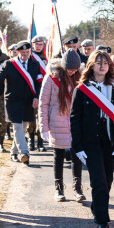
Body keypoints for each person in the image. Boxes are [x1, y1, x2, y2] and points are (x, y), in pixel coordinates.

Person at [70, 50, 114, 228]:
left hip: (110, 140)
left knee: (108, 179)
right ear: (91, 65)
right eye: (98, 62)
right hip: (90, 140)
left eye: (105, 62)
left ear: (110, 65)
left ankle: (98, 206)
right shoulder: (82, 90)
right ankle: (102, 221)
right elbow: (75, 119)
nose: (102, 66)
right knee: (99, 181)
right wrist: (77, 147)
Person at [38, 49, 85, 202]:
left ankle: (77, 188)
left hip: (75, 123)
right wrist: (43, 127)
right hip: (57, 123)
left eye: (75, 68)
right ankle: (59, 189)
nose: (72, 71)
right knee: (58, 156)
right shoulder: (51, 79)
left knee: (77, 155)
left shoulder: (81, 78)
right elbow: (43, 104)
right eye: (69, 68)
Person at [0, 41, 42, 165]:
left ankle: (13, 152)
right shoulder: (9, 64)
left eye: (27, 52)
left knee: (22, 127)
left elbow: (39, 83)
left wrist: (37, 97)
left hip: (29, 101)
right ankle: (24, 152)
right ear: (17, 52)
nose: (25, 55)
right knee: (17, 126)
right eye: (22, 52)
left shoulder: (35, 64)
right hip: (13, 102)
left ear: (30, 52)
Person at [29, 35, 48, 152]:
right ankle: (31, 140)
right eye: (36, 44)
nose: (38, 46)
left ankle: (40, 142)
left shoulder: (47, 55)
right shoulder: (30, 56)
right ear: (33, 44)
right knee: (31, 117)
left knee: (42, 117)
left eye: (40, 44)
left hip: (45, 89)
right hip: (32, 89)